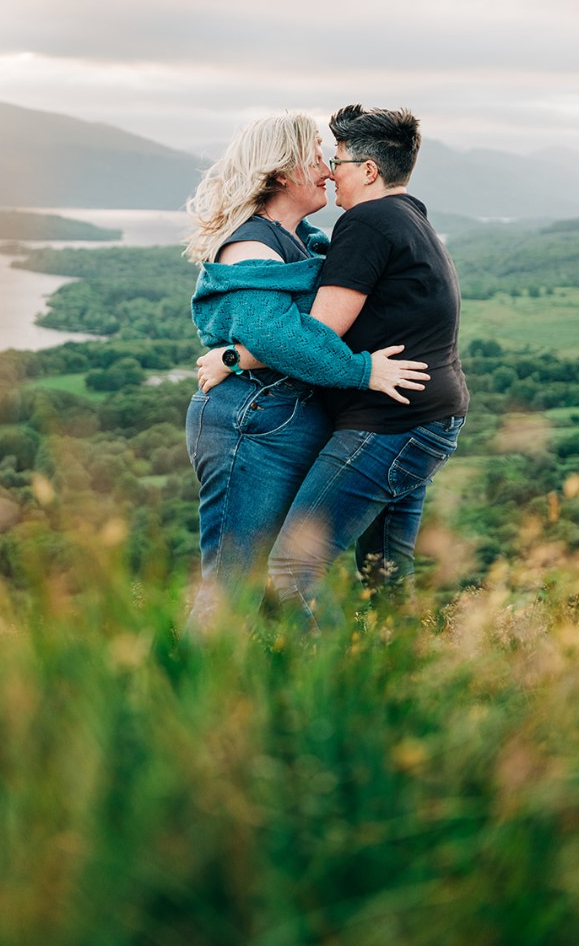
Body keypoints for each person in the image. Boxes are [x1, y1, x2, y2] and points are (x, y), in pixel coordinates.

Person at [183, 111, 428, 630]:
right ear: (279, 173)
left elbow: (288, 330)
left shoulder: (304, 241)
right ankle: (187, 699)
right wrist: (363, 372)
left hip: (283, 420)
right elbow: (284, 338)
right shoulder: (250, 244)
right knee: (233, 586)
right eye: (314, 156)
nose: (325, 167)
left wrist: (235, 355)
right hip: (249, 424)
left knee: (276, 585)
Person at [264, 104, 469, 631]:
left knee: (292, 570)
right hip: (428, 418)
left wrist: (232, 357)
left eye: (339, 160)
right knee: (385, 576)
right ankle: (403, 685)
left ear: (370, 171)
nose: (332, 172)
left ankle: (338, 689)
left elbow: (315, 337)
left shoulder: (367, 221)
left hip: (389, 425)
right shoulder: (411, 217)